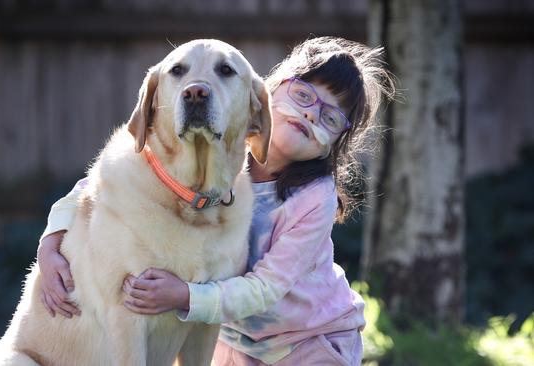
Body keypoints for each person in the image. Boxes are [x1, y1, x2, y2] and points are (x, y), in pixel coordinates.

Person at [36, 37, 395, 365]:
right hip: (236, 341)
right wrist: (53, 238)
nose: (310, 114)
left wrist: (183, 296)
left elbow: (265, 288)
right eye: (304, 96)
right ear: (266, 99)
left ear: (337, 142)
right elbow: (105, 185)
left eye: (330, 117)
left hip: (310, 341)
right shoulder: (226, 156)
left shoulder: (315, 198)